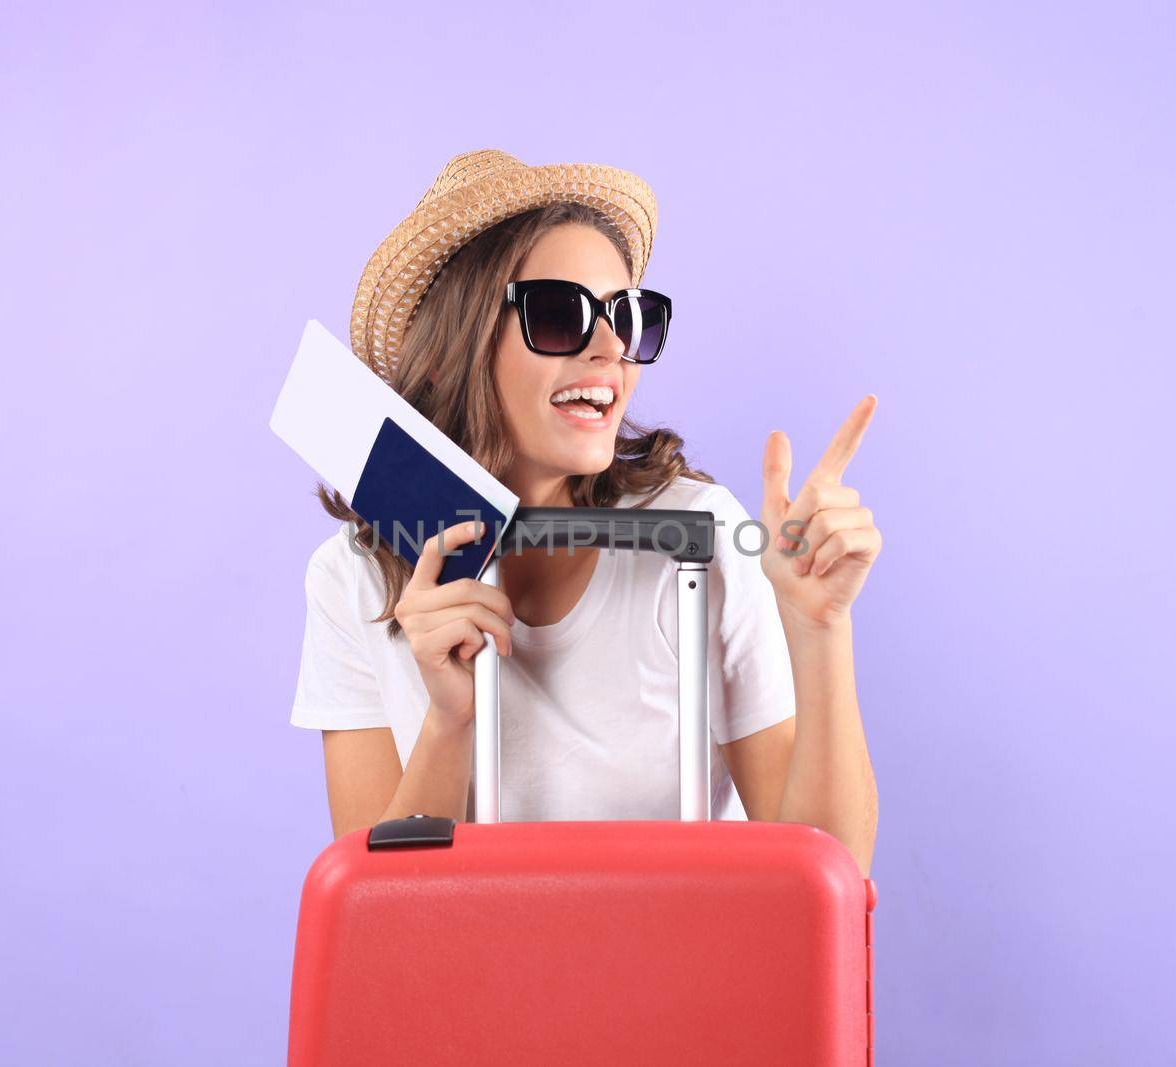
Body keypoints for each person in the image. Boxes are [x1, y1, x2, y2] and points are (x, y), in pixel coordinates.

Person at [290, 150, 881, 875]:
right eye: (558, 313)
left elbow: (831, 877)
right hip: (479, 983)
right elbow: (375, 929)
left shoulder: (701, 537)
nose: (611, 349)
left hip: (676, 976)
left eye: (628, 317)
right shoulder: (352, 580)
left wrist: (819, 630)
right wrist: (448, 722)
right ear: (454, 349)